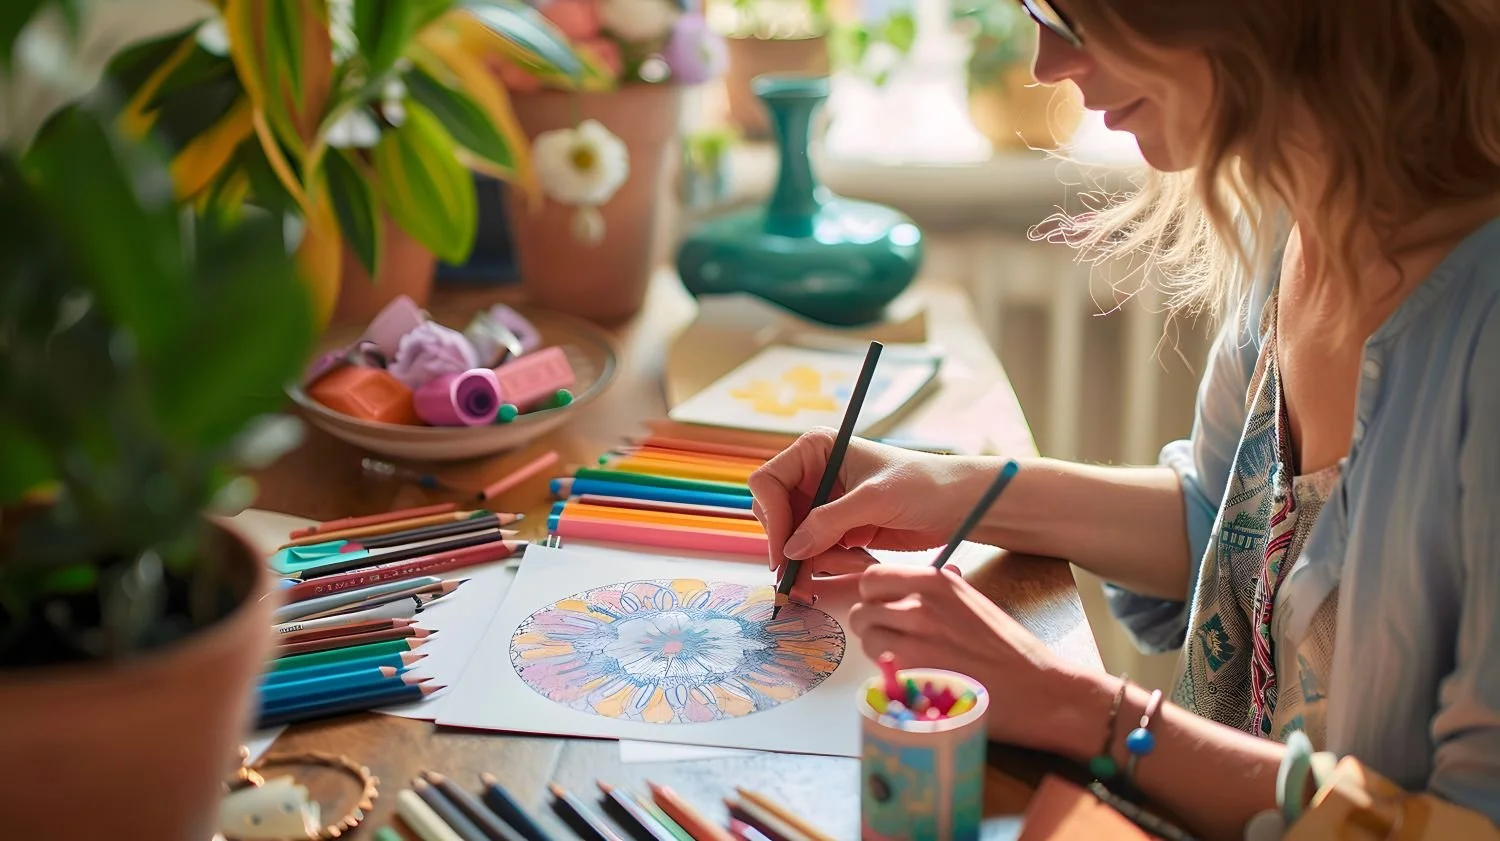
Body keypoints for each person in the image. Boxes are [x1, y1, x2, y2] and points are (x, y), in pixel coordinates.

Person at [747, 1, 1500, 838]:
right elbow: (1217, 525)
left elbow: (1464, 822)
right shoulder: (1308, 225)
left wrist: (1081, 708)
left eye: (1069, 12)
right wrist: (948, 485)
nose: (1044, 63)